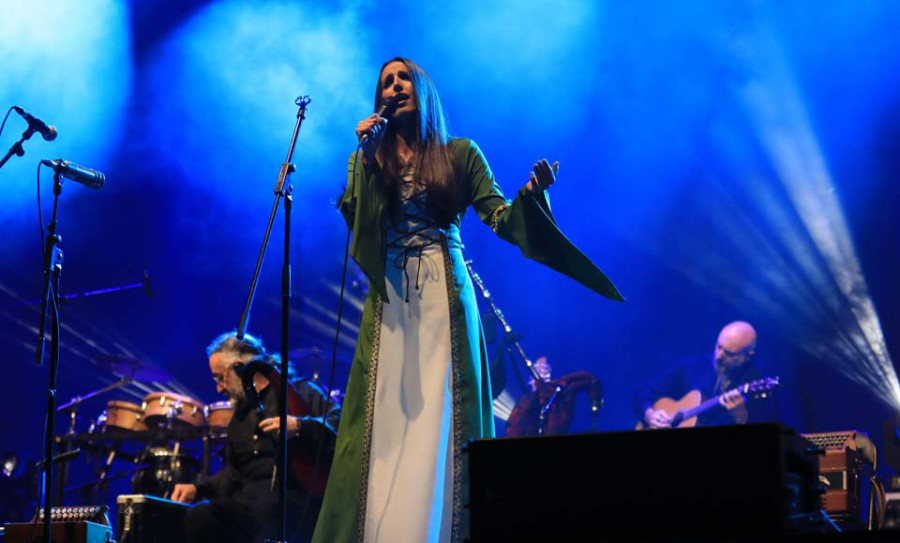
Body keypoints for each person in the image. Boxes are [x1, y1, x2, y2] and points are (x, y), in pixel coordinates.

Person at [312, 57, 623, 543]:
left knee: (439, 412)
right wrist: (367, 159)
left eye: (403, 78)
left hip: (442, 293)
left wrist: (531, 194)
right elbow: (360, 227)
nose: (394, 87)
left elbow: (499, 217)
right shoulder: (368, 160)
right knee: (386, 413)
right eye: (385, 83)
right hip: (390, 297)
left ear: (424, 90)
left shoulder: (459, 154)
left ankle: (434, 528)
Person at [170, 332, 341, 543]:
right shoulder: (240, 415)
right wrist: (198, 488)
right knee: (199, 516)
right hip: (247, 500)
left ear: (240, 367)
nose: (218, 387)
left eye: (220, 377)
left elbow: (337, 421)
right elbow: (233, 473)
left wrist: (299, 425)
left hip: (290, 494)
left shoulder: (299, 391)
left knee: (270, 510)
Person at [634, 320, 777, 429]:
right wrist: (650, 415)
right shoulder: (693, 366)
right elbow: (644, 392)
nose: (719, 356)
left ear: (748, 355)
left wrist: (741, 417)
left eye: (729, 353)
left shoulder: (755, 381)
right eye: (719, 347)